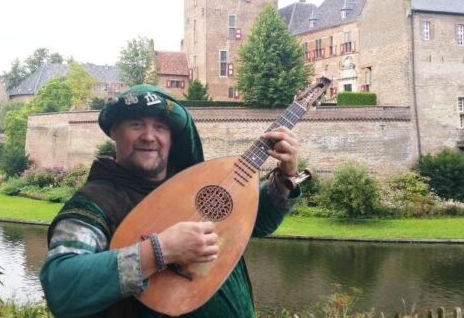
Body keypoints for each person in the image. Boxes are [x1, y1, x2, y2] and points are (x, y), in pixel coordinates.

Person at [39, 84, 303, 317]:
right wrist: (160, 251)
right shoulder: (94, 202)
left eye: (160, 127)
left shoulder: (191, 184)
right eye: (136, 125)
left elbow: (258, 223)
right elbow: (61, 287)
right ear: (114, 132)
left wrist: (286, 176)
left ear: (172, 138)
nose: (149, 136)